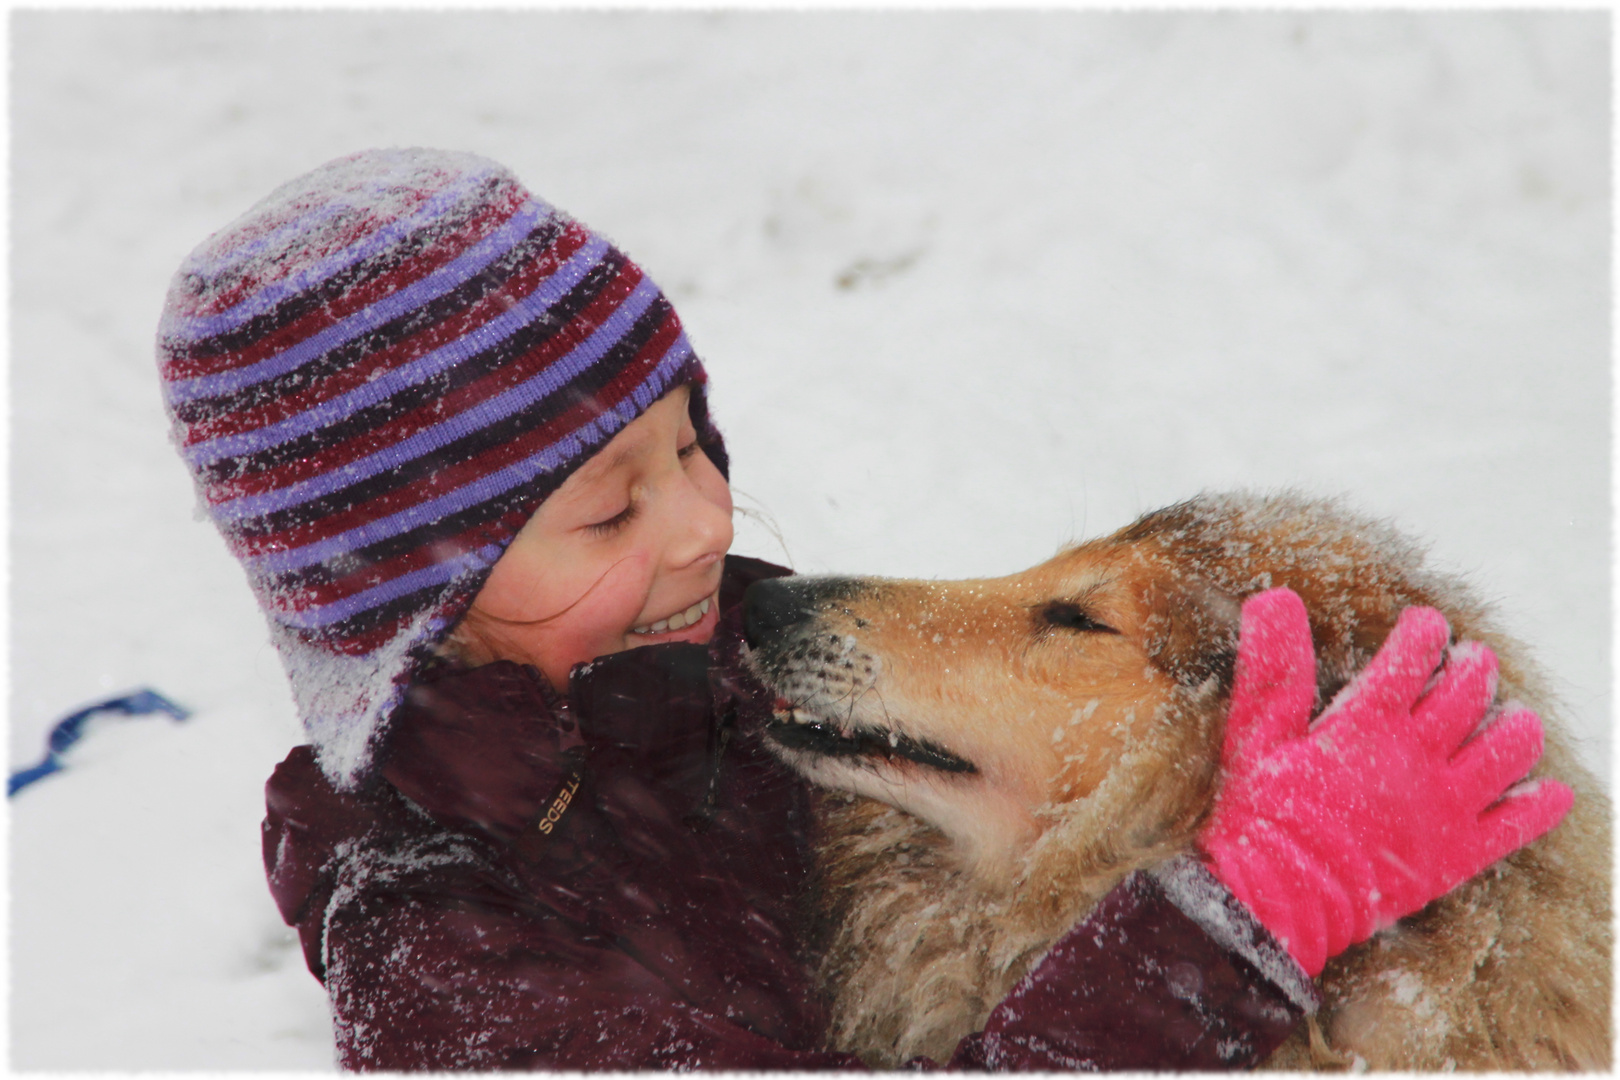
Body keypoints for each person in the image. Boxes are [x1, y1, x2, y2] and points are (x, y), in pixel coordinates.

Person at [155, 148, 1572, 1070]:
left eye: (696, 445)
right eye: (609, 508)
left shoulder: (705, 679)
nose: (709, 522)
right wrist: (1230, 931)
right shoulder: (444, 956)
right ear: (414, 604)